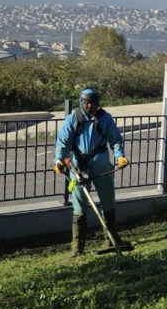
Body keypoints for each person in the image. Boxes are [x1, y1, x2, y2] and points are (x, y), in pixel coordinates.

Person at [54, 87, 130, 256]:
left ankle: (111, 240)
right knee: (79, 204)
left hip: (101, 162)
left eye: (92, 103)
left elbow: (116, 140)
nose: (89, 106)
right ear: (81, 102)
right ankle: (77, 247)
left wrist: (120, 156)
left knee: (108, 199)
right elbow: (62, 143)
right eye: (86, 103)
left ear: (97, 103)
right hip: (78, 165)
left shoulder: (105, 118)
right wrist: (59, 160)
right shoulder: (72, 119)